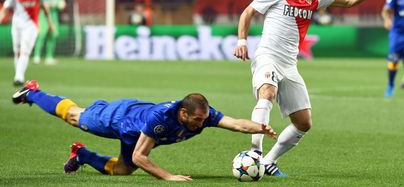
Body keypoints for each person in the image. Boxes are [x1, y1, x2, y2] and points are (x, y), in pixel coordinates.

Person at [233, 0, 398, 177]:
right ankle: (255, 154)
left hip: (290, 64)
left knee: (304, 123)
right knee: (267, 93)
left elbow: (348, 1)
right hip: (267, 56)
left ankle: (269, 161)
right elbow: (248, 12)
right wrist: (242, 40)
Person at [12, 80, 276, 181]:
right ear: (183, 114)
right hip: (118, 118)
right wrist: (168, 177)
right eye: (197, 120)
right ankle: (33, 92)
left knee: (123, 170)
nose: (201, 124)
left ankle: (82, 155)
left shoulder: (201, 115)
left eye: (203, 119)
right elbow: (141, 156)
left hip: (135, 133)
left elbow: (236, 123)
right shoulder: (160, 119)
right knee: (74, 116)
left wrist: (260, 128)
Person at [0, 0, 54, 86]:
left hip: (31, 25)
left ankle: (19, 76)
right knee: (17, 51)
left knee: (25, 50)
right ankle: (18, 74)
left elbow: (45, 7)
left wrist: (50, 23)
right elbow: (5, 9)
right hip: (16, 25)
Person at [33, 0, 66, 65]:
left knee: (52, 37)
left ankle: (49, 57)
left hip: (54, 17)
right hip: (43, 17)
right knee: (41, 36)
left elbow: (61, 4)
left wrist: (60, 5)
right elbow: (38, 4)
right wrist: (44, 5)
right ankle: (37, 56)